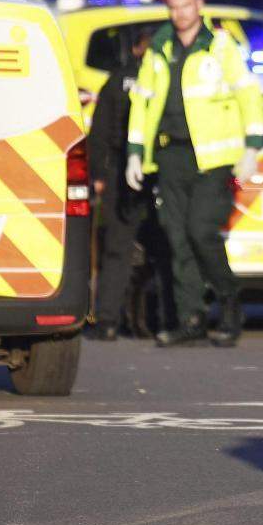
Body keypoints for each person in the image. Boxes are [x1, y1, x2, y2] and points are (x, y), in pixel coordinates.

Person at [126, 0, 263, 348]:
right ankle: (191, 318)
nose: (180, 13)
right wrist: (135, 153)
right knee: (177, 239)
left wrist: (253, 145)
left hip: (213, 157)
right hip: (169, 156)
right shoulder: (160, 48)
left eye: (186, 5)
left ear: (198, 6)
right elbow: (142, 104)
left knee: (200, 230)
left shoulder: (219, 46)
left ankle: (229, 299)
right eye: (173, 7)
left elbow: (248, 95)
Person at [89, 26, 156, 340]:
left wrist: (98, 177)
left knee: (117, 247)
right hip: (159, 170)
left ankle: (107, 321)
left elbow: (99, 132)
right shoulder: (166, 80)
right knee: (160, 250)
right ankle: (160, 320)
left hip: (119, 169)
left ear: (135, 49)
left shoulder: (117, 80)